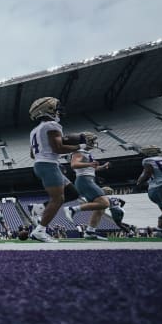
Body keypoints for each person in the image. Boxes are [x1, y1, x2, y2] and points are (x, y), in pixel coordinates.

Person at [28, 97, 96, 243]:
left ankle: (39, 207)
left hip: (42, 164)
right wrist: (80, 147)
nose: (58, 111)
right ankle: (40, 231)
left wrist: (62, 142)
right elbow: (58, 148)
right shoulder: (52, 125)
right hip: (49, 165)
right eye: (56, 108)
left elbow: (32, 154)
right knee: (58, 199)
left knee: (73, 193)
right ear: (48, 110)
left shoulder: (34, 130)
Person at [68, 133, 111, 240]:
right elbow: (73, 165)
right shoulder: (79, 152)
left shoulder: (86, 153)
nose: (93, 143)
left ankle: (90, 232)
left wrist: (102, 167)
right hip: (84, 180)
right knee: (105, 203)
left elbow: (91, 168)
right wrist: (89, 164)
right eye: (91, 141)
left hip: (88, 179)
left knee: (100, 208)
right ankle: (72, 209)